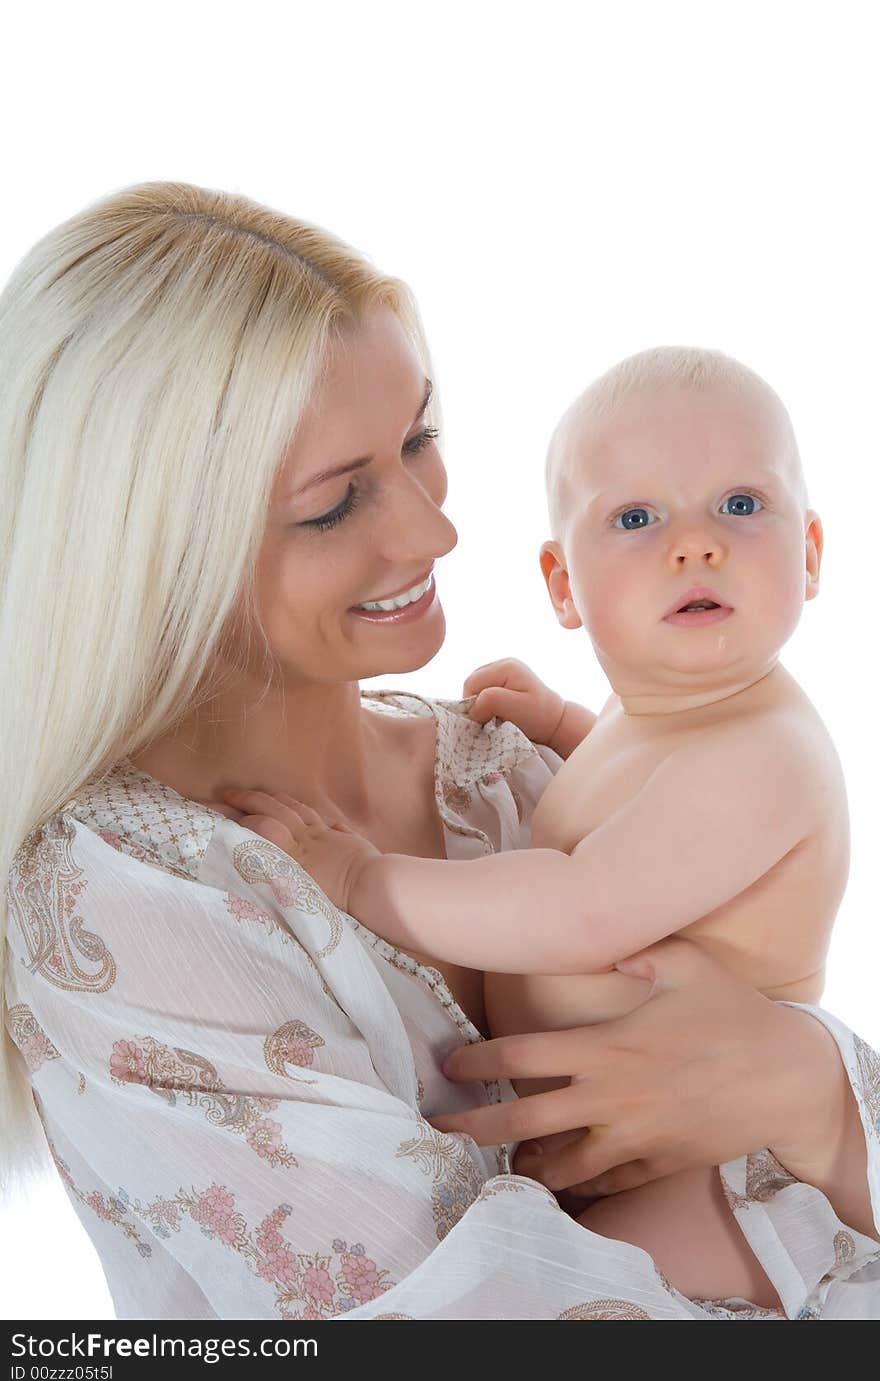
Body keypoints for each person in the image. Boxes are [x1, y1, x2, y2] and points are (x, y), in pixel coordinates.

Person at [0, 182, 877, 1321]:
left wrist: (818, 1093)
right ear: (156, 552)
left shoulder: (507, 769)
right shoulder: (123, 900)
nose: (434, 530)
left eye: (420, 438)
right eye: (333, 504)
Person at [239, 348, 858, 1307]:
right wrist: (566, 724)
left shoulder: (767, 754)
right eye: (637, 518)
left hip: (711, 1174)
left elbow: (583, 910)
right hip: (643, 1139)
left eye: (741, 505)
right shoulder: (668, 716)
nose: (696, 545)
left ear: (811, 554)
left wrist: (362, 878)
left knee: (605, 1298)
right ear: (564, 585)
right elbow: (634, 793)